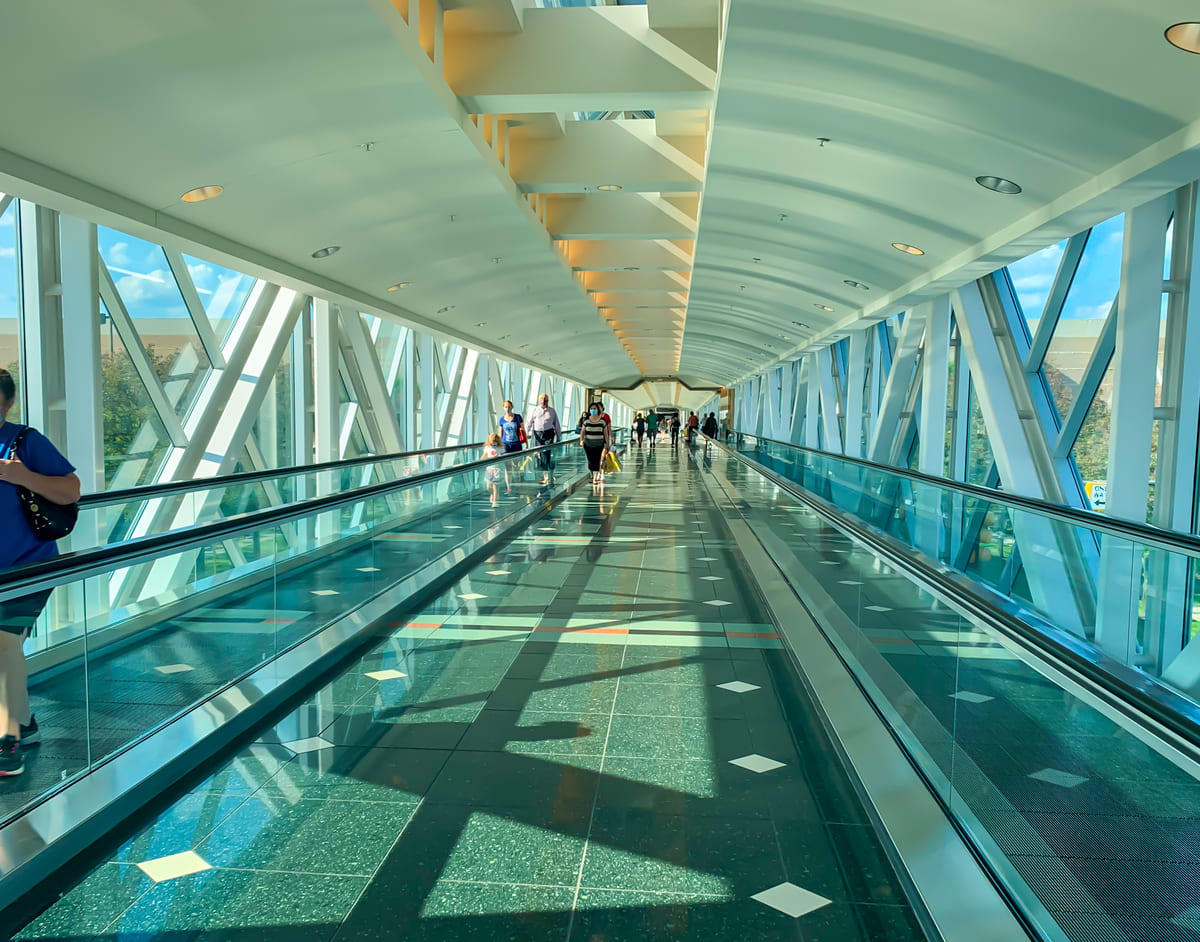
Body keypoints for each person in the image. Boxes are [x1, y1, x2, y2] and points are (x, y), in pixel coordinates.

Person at [0, 368, 81, 776]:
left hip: (28, 567)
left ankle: (7, 741)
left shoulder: (25, 441)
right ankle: (23, 722)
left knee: (2, 641)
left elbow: (70, 491)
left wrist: (21, 476)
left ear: (8, 404)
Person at [526, 393, 561, 485]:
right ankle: (544, 473)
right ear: (539, 401)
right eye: (542, 400)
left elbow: (556, 424)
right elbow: (529, 422)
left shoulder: (552, 411)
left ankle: (547, 474)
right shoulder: (535, 410)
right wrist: (526, 433)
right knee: (539, 454)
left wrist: (558, 436)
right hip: (537, 433)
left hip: (548, 433)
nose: (544, 402)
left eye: (545, 400)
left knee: (546, 453)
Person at [579, 403, 611, 485]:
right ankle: (592, 475)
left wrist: (607, 443)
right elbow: (583, 431)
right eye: (591, 408)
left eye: (595, 408)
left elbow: (605, 433)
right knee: (590, 460)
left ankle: (595, 477)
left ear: (598, 410)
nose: (593, 410)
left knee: (597, 460)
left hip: (599, 444)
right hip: (588, 444)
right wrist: (581, 440)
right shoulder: (586, 421)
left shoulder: (602, 421)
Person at [481, 433, 504, 507]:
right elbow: (484, 455)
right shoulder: (488, 448)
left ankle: (495, 501)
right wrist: (480, 462)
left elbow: (503, 456)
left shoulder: (500, 448)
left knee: (495, 486)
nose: (493, 443)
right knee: (488, 486)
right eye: (492, 442)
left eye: (494, 442)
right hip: (489, 469)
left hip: (497, 468)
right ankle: (492, 494)